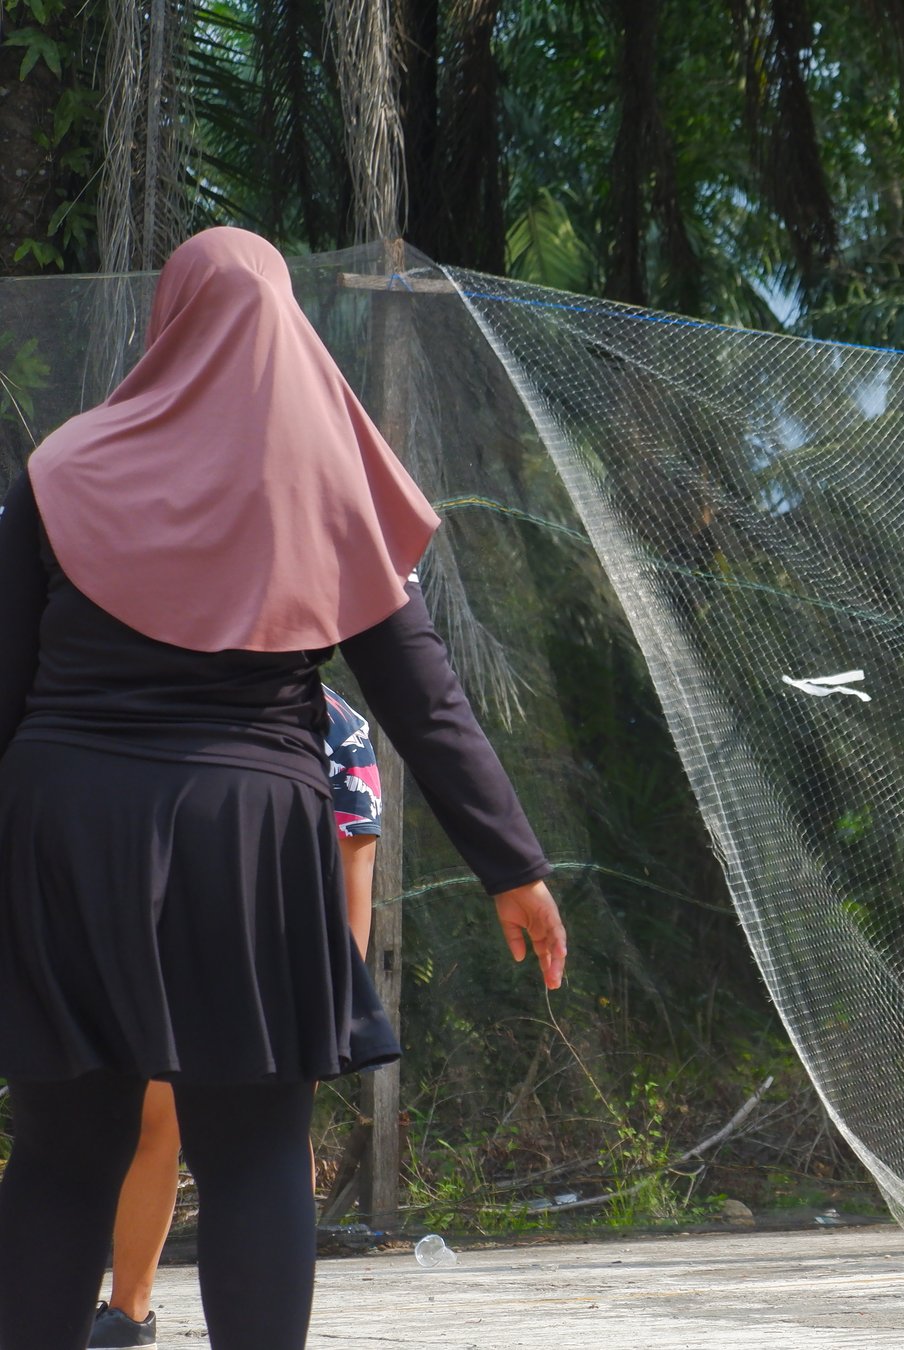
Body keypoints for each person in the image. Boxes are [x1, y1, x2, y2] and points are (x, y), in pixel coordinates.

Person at [0, 226, 569, 1350]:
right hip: (247, 841)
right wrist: (514, 864)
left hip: (66, 831)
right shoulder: (326, 491)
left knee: (63, 1150)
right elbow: (421, 693)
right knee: (257, 1149)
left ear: (169, 324)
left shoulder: (62, 468)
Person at [88, 686, 386, 1349]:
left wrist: (332, 1006)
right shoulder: (163, 687)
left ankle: (269, 1314)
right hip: (174, 940)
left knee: (270, 1135)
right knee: (154, 1115)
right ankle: (127, 1310)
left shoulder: (338, 725)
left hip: (278, 956)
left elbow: (353, 868)